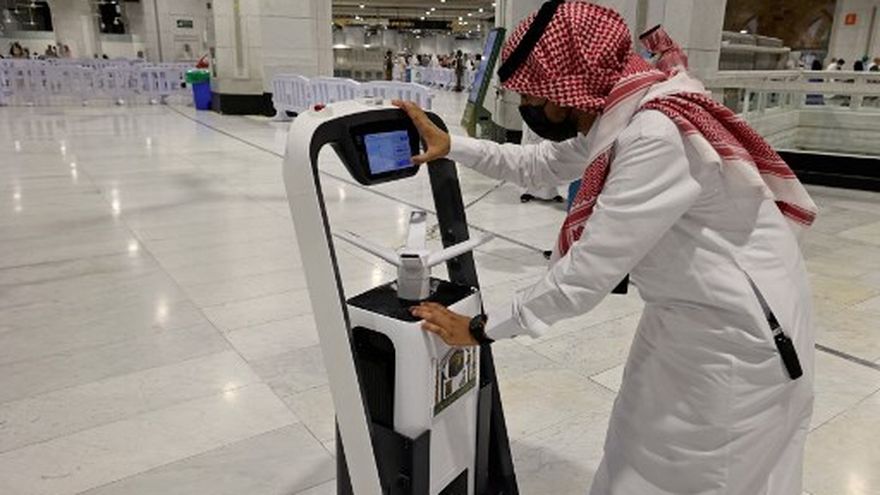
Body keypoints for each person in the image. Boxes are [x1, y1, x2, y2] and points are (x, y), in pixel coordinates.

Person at [395, 2, 817, 494]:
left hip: (733, 340)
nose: (528, 105)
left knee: (686, 473)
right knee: (638, 447)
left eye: (531, 93)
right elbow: (541, 165)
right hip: (694, 313)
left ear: (564, 85)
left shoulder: (654, 133)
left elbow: (586, 273)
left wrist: (481, 328)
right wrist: (453, 145)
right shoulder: (626, 109)